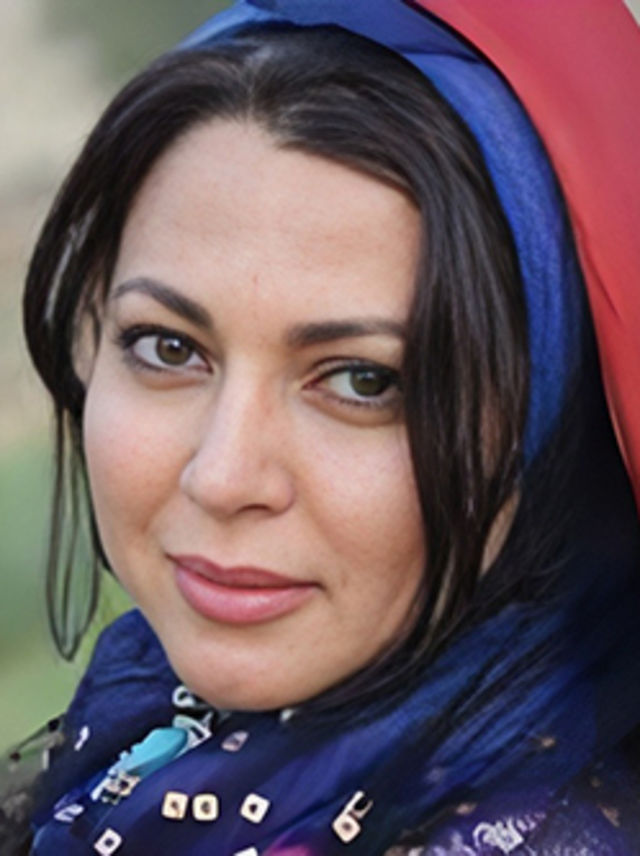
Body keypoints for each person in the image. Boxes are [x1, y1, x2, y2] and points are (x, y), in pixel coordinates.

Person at [3, 1, 640, 853]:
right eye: (168, 347)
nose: (222, 477)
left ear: (555, 422)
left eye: (362, 381)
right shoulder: (135, 758)